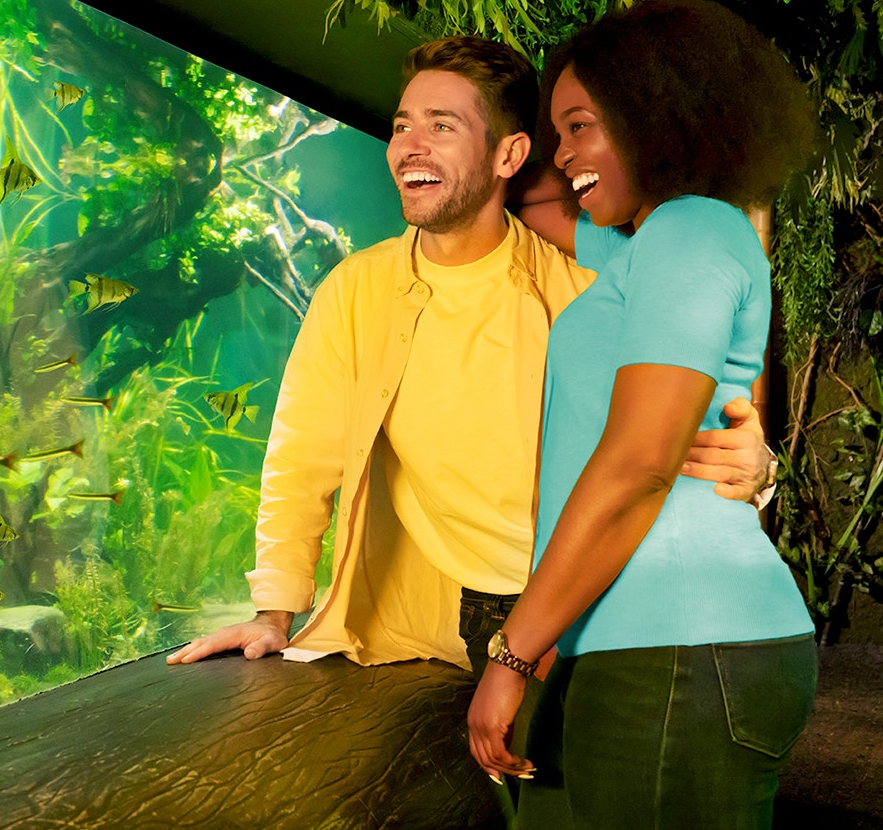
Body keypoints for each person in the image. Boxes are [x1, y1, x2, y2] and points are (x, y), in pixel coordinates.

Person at [166, 35, 771, 674]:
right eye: (402, 125)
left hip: (613, 597)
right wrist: (274, 611)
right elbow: (302, 455)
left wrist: (755, 464)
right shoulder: (355, 291)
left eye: (442, 125)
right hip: (476, 612)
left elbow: (686, 433)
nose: (409, 146)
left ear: (509, 154)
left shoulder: (583, 290)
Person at [466, 0, 817, 828]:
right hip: (618, 639)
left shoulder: (693, 231)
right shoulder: (646, 242)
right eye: (556, 131)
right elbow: (543, 205)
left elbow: (637, 466)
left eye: (582, 125)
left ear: (657, 113)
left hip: (684, 642)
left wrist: (513, 650)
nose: (565, 154)